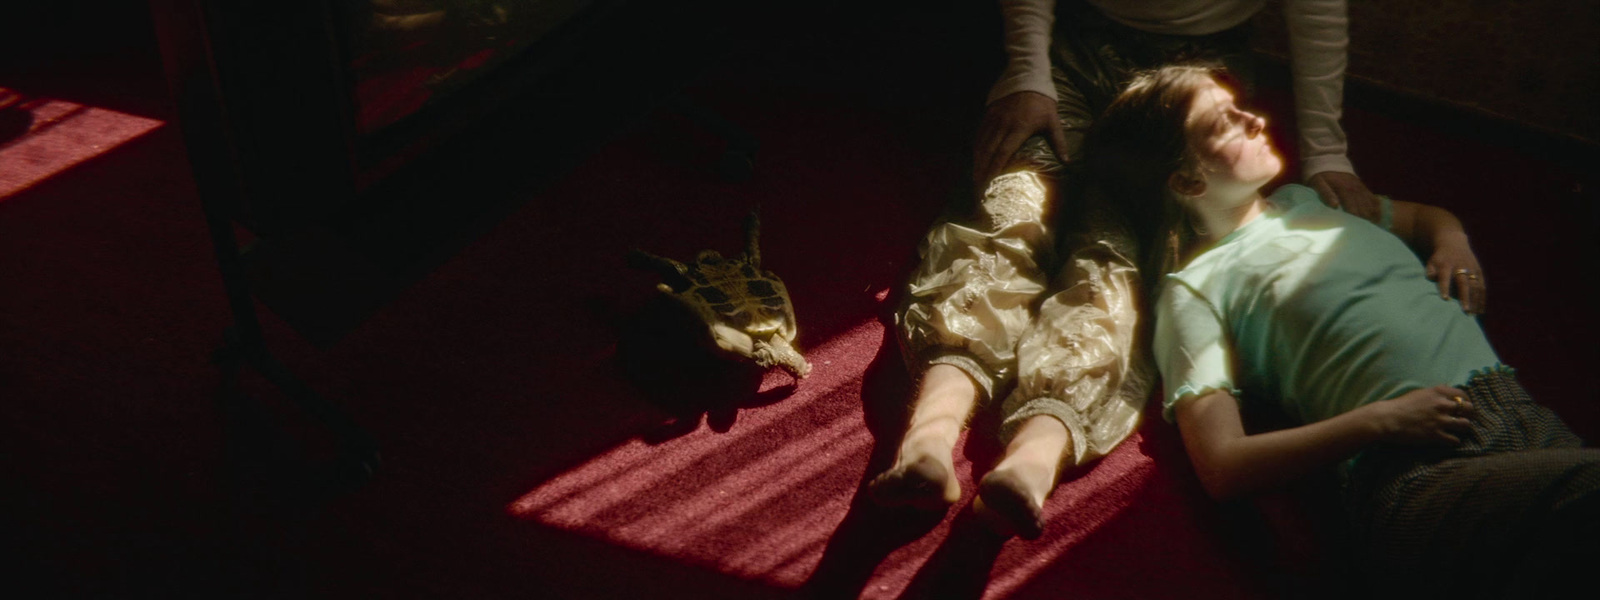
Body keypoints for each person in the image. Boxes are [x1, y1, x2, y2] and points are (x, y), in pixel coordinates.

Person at [870, 0, 1375, 539]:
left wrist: (1327, 154)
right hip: (1075, 46)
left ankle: (1034, 457)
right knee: (1010, 211)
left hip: (1199, 79)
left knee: (1115, 262)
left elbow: (1316, 10)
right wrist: (1028, 71)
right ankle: (929, 434)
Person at [1096, 63, 1599, 597]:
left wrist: (1454, 244)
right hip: (1419, 473)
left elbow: (1428, 218)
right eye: (1225, 122)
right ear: (1188, 180)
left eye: (1240, 105)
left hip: (1524, 422)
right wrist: (1379, 422)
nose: (1256, 118)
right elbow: (1222, 466)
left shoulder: (1306, 202)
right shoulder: (1194, 287)